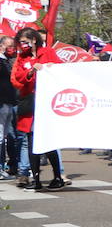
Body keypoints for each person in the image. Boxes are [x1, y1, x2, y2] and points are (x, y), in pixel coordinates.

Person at [10, 27, 65, 189]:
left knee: (46, 141)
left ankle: (57, 177)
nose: (22, 45)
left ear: (34, 40)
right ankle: (36, 180)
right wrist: (30, 71)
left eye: (25, 41)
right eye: (20, 42)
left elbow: (61, 70)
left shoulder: (47, 52)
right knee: (31, 140)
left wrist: (48, 67)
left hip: (47, 103)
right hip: (30, 103)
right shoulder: (22, 58)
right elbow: (18, 78)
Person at [0, 36, 19, 178]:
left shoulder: (7, 61)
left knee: (4, 136)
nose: (10, 48)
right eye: (8, 46)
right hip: (2, 103)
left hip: (9, 102)